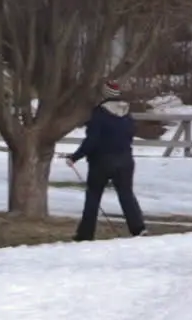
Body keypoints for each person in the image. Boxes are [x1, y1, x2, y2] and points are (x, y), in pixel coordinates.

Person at [63, 80, 147, 241]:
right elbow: (129, 135)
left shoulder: (100, 114)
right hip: (125, 160)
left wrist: (75, 157)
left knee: (93, 196)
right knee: (126, 194)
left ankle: (85, 234)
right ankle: (138, 228)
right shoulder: (127, 114)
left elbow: (91, 141)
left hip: (101, 162)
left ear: (104, 95)